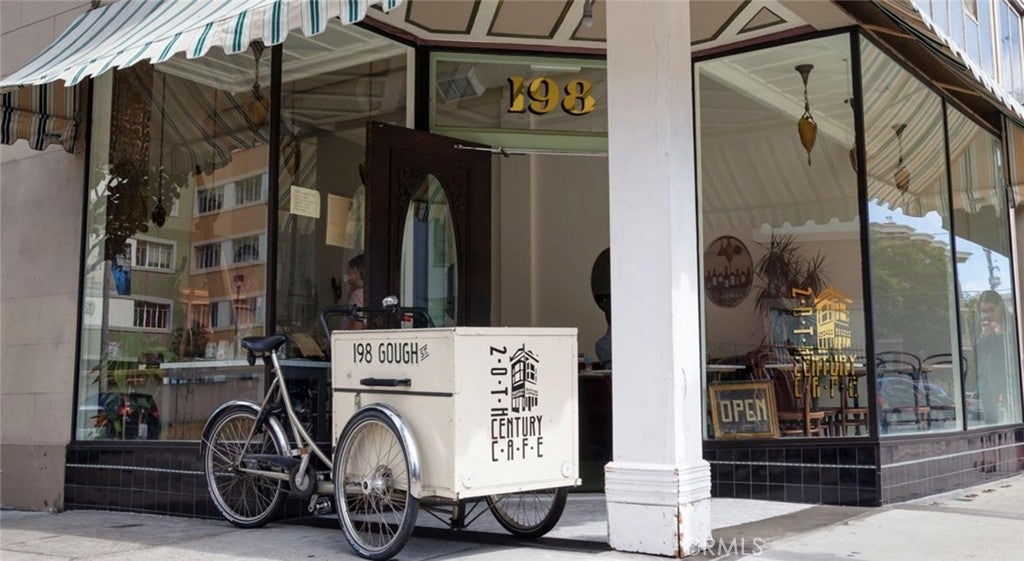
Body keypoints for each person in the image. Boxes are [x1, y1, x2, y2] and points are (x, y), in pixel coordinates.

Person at [974, 290, 1010, 424]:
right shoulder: (980, 323)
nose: (988, 315)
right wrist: (983, 336)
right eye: (984, 311)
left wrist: (1001, 334)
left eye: (991, 310)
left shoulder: (1010, 321)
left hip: (1008, 376)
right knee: (990, 420)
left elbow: (1014, 349)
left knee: (1014, 414)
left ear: (1000, 305)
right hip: (988, 378)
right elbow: (975, 351)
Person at [343, 254, 366, 330]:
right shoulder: (367, 292)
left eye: (348, 270)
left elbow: (357, 326)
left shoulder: (357, 295)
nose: (346, 274)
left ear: (355, 271)